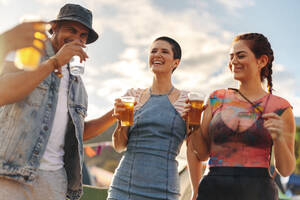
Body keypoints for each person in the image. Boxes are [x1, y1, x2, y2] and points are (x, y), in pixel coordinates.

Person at [0, 3, 115, 200]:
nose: (77, 39)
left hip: (54, 181)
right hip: (11, 174)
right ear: (54, 27)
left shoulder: (78, 83)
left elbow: (79, 133)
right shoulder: (27, 55)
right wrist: (54, 62)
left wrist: (114, 114)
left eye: (83, 35)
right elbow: (3, 93)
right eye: (72, 30)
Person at [185, 33, 296, 200]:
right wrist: (192, 125)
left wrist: (279, 139)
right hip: (213, 189)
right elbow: (201, 154)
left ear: (262, 61)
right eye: (231, 57)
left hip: (258, 192)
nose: (233, 61)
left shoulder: (280, 107)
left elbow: (286, 170)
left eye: (240, 55)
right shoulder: (216, 99)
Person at [107, 36, 190, 200]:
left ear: (176, 62)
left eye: (164, 51)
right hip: (123, 188)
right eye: (153, 51)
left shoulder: (186, 100)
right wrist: (122, 123)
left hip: (164, 191)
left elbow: (195, 150)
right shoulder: (132, 96)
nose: (157, 54)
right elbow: (119, 146)